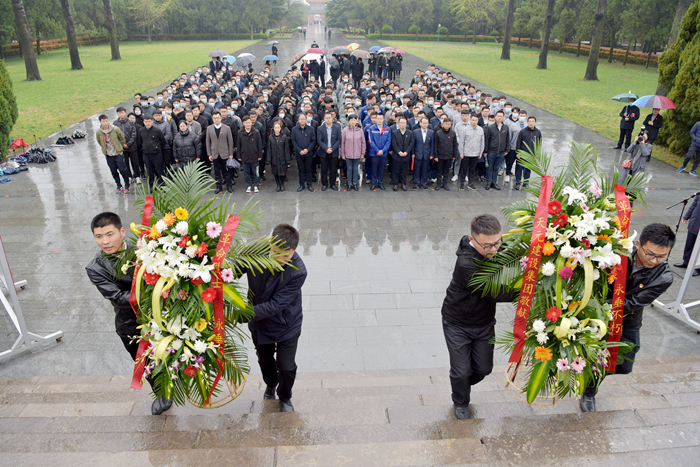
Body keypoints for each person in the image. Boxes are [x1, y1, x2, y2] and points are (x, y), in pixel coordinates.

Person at [581, 223, 675, 412]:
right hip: (596, 314)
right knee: (597, 356)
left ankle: (591, 376)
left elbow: (632, 304)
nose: (654, 260)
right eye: (650, 254)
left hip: (627, 320)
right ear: (639, 244)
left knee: (624, 365)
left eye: (662, 257)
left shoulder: (663, 277)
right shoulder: (619, 253)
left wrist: (598, 306)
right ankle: (589, 392)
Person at [86, 212, 172, 415]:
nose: (105, 242)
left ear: (122, 232)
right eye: (99, 236)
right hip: (130, 323)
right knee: (146, 362)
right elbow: (118, 298)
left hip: (163, 315)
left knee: (172, 352)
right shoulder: (95, 268)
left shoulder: (144, 248)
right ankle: (161, 392)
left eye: (109, 234)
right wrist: (157, 292)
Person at [441, 214, 515, 420]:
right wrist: (528, 290)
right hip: (457, 323)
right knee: (461, 370)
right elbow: (496, 292)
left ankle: (461, 382)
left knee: (483, 369)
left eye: (497, 243)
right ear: (472, 240)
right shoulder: (465, 264)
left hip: (483, 322)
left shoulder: (495, 247)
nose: (494, 250)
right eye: (487, 246)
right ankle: (461, 401)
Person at [241, 224, 307, 413]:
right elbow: (236, 269)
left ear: (294, 250)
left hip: (287, 324)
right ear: (271, 243)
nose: (279, 260)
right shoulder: (255, 252)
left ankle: (285, 396)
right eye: (276, 253)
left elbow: (276, 305)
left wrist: (242, 314)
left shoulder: (298, 271)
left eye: (286, 256)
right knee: (264, 359)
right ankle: (270, 384)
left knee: (286, 367)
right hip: (260, 324)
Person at [96, 114, 130, 195]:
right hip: (109, 154)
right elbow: (99, 141)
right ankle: (118, 185)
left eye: (106, 121)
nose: (105, 123)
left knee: (123, 169)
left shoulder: (115, 129)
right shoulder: (99, 132)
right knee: (113, 171)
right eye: (103, 121)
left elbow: (122, 138)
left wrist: (120, 147)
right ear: (100, 122)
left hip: (117, 153)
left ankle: (127, 184)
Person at [206, 111, 235, 194]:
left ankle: (229, 187)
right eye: (214, 118)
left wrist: (231, 154)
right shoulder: (209, 128)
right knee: (217, 172)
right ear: (212, 119)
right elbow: (208, 142)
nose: (216, 119)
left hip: (225, 153)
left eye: (218, 118)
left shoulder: (226, 128)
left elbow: (230, 142)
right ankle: (219, 187)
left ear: (221, 118)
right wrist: (209, 154)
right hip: (215, 153)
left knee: (227, 171)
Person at [456, 112, 484, 191]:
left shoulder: (480, 130)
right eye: (473, 120)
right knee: (464, 169)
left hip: (475, 153)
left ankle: (470, 183)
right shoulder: (465, 130)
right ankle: (462, 183)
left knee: (472, 169)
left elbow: (482, 142)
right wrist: (461, 153)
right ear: (470, 120)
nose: (474, 122)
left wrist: (480, 152)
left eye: (476, 120)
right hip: (466, 153)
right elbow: (461, 142)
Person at [137, 115, 166, 189]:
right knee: (149, 171)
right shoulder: (141, 131)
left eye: (149, 121)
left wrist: (157, 148)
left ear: (152, 121)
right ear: (143, 122)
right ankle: (151, 186)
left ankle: (162, 185)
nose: (148, 123)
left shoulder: (157, 131)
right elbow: (139, 142)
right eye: (146, 122)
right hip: (146, 154)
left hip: (157, 154)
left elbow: (163, 142)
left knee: (159, 170)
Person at [483, 110, 509, 191]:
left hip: (501, 152)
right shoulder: (490, 128)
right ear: (495, 117)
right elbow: (487, 140)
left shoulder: (505, 127)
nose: (499, 117)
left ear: (503, 117)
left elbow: (507, 139)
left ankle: (494, 182)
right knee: (489, 168)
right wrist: (486, 151)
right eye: (498, 116)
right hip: (491, 152)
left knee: (496, 168)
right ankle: (488, 182)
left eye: (501, 116)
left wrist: (506, 149)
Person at [674, 195, 700, 275]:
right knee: (689, 244)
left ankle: (698, 269)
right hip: (694, 223)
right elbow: (694, 205)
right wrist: (686, 216)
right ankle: (686, 262)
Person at [113, 107, 140, 185]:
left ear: (125, 112)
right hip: (122, 148)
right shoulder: (115, 124)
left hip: (132, 147)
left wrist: (128, 144)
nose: (121, 114)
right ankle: (129, 176)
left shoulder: (130, 122)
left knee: (135, 162)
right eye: (119, 113)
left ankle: (137, 176)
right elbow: (115, 136)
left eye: (122, 112)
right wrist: (122, 144)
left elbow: (134, 134)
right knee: (125, 163)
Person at [514, 116, 542, 190]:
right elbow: (518, 142)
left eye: (533, 121)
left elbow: (539, 144)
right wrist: (518, 152)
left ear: (535, 123)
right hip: (522, 154)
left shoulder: (538, 132)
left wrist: (537, 154)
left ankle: (526, 183)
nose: (531, 123)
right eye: (529, 121)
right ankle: (517, 183)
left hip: (531, 155)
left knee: (528, 170)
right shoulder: (523, 131)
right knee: (519, 170)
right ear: (527, 122)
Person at [237, 115, 263, 194]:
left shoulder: (256, 132)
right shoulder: (240, 133)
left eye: (249, 123)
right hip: (244, 156)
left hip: (254, 156)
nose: (248, 124)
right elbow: (238, 145)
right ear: (243, 123)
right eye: (246, 123)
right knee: (246, 172)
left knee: (256, 172)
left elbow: (259, 144)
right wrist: (239, 156)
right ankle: (248, 185)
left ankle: (255, 185)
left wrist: (260, 155)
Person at [317, 112, 342, 191]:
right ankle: (324, 184)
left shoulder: (337, 128)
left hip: (333, 151)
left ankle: (333, 184)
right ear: (324, 119)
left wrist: (332, 149)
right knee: (324, 169)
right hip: (324, 152)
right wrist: (326, 149)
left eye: (329, 118)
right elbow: (319, 141)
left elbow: (339, 140)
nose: (328, 119)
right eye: (326, 118)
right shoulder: (320, 128)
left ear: (332, 118)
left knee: (333, 169)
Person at [291, 114, 317, 192]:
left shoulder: (311, 129)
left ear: (306, 120)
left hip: (308, 153)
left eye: (303, 119)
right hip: (299, 153)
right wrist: (299, 150)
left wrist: (307, 149)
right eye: (300, 119)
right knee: (301, 170)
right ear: (298, 120)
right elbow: (293, 141)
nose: (302, 120)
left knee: (309, 169)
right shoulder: (294, 129)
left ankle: (309, 184)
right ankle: (302, 184)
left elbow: (313, 140)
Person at [340, 114, 366, 191]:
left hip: (357, 154)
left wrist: (362, 153)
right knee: (349, 169)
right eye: (351, 120)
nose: (353, 121)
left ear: (357, 121)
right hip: (348, 154)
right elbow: (342, 143)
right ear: (349, 121)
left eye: (354, 120)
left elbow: (363, 143)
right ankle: (349, 184)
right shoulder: (345, 130)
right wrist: (343, 154)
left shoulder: (360, 130)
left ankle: (355, 183)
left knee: (355, 169)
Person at [367, 112, 392, 191]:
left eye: (381, 119)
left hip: (383, 154)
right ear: (376, 119)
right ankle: (374, 183)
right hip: (374, 153)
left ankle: (381, 183)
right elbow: (371, 141)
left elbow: (388, 141)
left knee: (382, 169)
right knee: (374, 169)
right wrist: (377, 150)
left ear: (383, 119)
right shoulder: (371, 128)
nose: (379, 120)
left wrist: (383, 150)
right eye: (378, 119)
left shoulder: (387, 129)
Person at [433, 117, 458, 191]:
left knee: (446, 171)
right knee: (439, 171)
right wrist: (436, 155)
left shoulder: (453, 133)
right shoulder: (438, 133)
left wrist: (454, 155)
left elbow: (455, 145)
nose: (447, 125)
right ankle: (438, 184)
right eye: (446, 124)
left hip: (449, 155)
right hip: (440, 155)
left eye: (449, 124)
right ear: (442, 124)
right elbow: (436, 145)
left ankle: (445, 184)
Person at [390, 116, 414, 191]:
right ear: (398, 123)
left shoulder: (410, 132)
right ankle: (395, 184)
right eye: (401, 123)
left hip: (406, 155)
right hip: (397, 155)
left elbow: (411, 143)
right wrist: (399, 152)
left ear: (406, 123)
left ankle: (403, 183)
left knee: (404, 170)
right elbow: (393, 144)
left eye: (404, 123)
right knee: (395, 170)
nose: (403, 124)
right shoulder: (394, 133)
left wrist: (406, 152)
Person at [267, 120, 292, 192]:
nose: (277, 129)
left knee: (283, 172)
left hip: (282, 158)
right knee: (275, 172)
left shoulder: (284, 137)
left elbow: (287, 149)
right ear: (273, 128)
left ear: (280, 128)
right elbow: (269, 149)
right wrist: (268, 159)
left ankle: (282, 184)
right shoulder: (271, 137)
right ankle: (278, 184)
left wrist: (288, 160)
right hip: (274, 158)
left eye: (278, 128)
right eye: (275, 128)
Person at [412, 117, 434, 191]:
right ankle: (416, 183)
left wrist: (431, 154)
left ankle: (424, 183)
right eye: (423, 123)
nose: (425, 124)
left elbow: (432, 144)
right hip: (418, 153)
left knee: (425, 169)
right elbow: (413, 144)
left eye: (426, 123)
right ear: (420, 123)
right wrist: (413, 153)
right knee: (417, 169)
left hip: (427, 154)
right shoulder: (415, 132)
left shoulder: (431, 132)